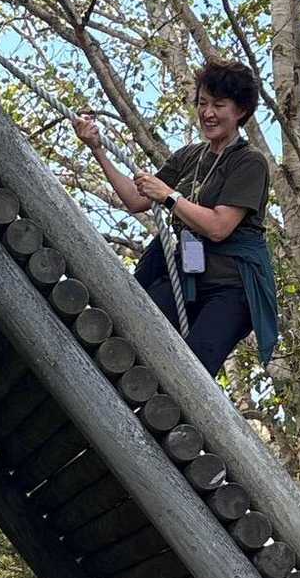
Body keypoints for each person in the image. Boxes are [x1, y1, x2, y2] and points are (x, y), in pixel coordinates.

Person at [73, 59, 278, 378]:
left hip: (231, 288)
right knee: (132, 328)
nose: (207, 113)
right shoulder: (190, 156)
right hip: (187, 276)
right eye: (203, 103)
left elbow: (219, 227)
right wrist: (97, 149)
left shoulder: (249, 162)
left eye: (218, 105)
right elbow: (136, 200)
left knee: (190, 370)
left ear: (240, 111)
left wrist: (170, 196)